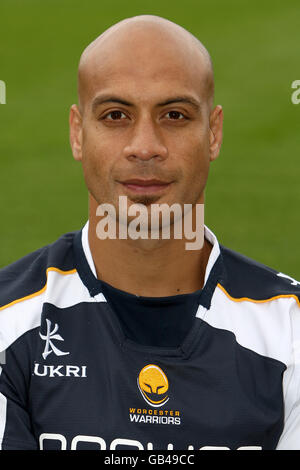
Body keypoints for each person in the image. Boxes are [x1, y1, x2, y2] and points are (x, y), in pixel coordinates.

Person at [0, 14, 299, 451]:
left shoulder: (290, 335)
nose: (144, 146)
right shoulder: (8, 325)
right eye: (116, 115)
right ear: (77, 133)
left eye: (174, 115)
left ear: (213, 133)